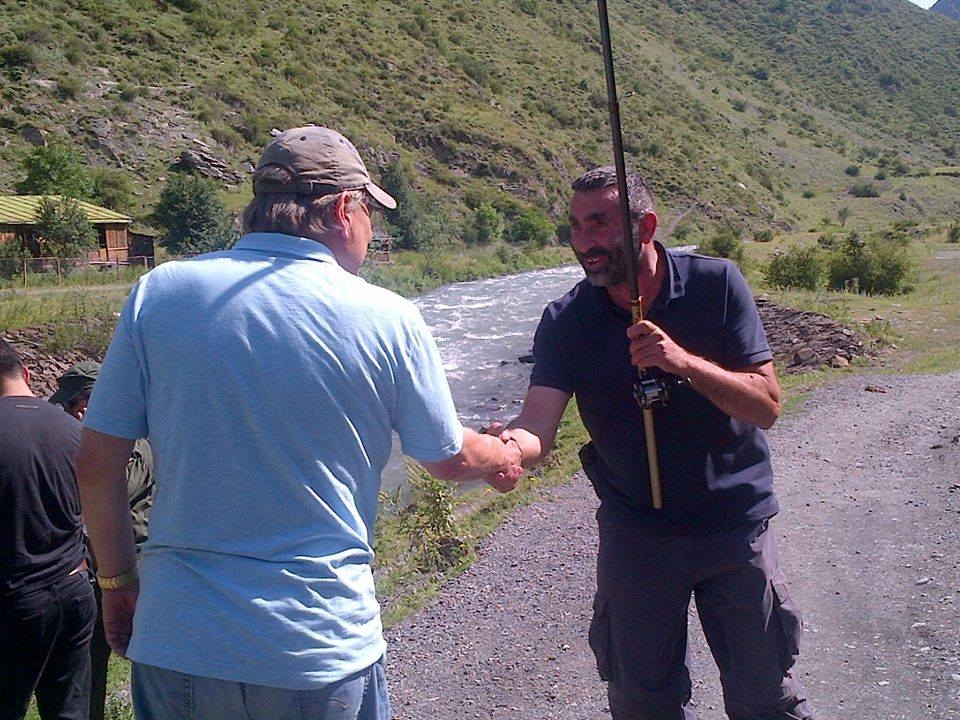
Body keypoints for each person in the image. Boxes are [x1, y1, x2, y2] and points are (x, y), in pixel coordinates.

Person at [74, 125, 522, 720]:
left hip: (179, 639)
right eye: (369, 213)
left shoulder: (159, 292)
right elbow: (449, 458)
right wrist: (506, 454)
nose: (371, 231)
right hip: (314, 646)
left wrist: (116, 582)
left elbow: (96, 465)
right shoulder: (388, 316)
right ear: (342, 209)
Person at [486, 166, 815, 719]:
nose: (585, 241)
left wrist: (683, 363)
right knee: (642, 705)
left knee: (765, 700)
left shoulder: (716, 284)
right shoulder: (566, 320)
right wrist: (510, 451)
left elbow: (766, 406)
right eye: (576, 227)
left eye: (600, 224)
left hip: (732, 523)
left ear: (646, 226)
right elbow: (538, 421)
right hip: (636, 533)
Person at [0, 339, 97, 720]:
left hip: (15, 598)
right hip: (74, 590)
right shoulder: (72, 428)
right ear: (26, 374)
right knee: (69, 711)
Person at [51, 360, 154, 720]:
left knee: (148, 664)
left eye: (74, 406)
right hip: (98, 572)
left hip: (135, 570)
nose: (69, 415)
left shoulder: (133, 444)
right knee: (90, 664)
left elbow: (113, 488)